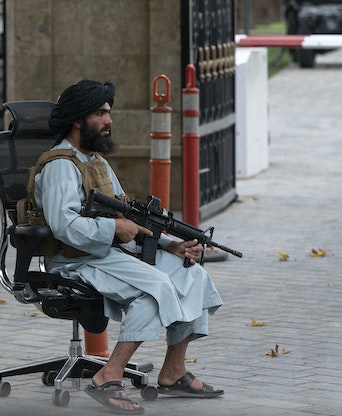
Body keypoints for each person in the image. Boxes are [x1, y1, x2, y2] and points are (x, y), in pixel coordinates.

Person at [34, 80, 224, 414]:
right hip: (75, 261)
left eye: (109, 112)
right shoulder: (60, 167)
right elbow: (65, 227)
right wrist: (115, 227)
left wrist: (171, 245)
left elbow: (129, 218)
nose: (108, 120)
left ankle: (173, 371)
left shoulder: (96, 162)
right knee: (154, 289)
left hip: (106, 254)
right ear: (78, 119)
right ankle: (109, 375)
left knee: (191, 275)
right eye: (100, 113)